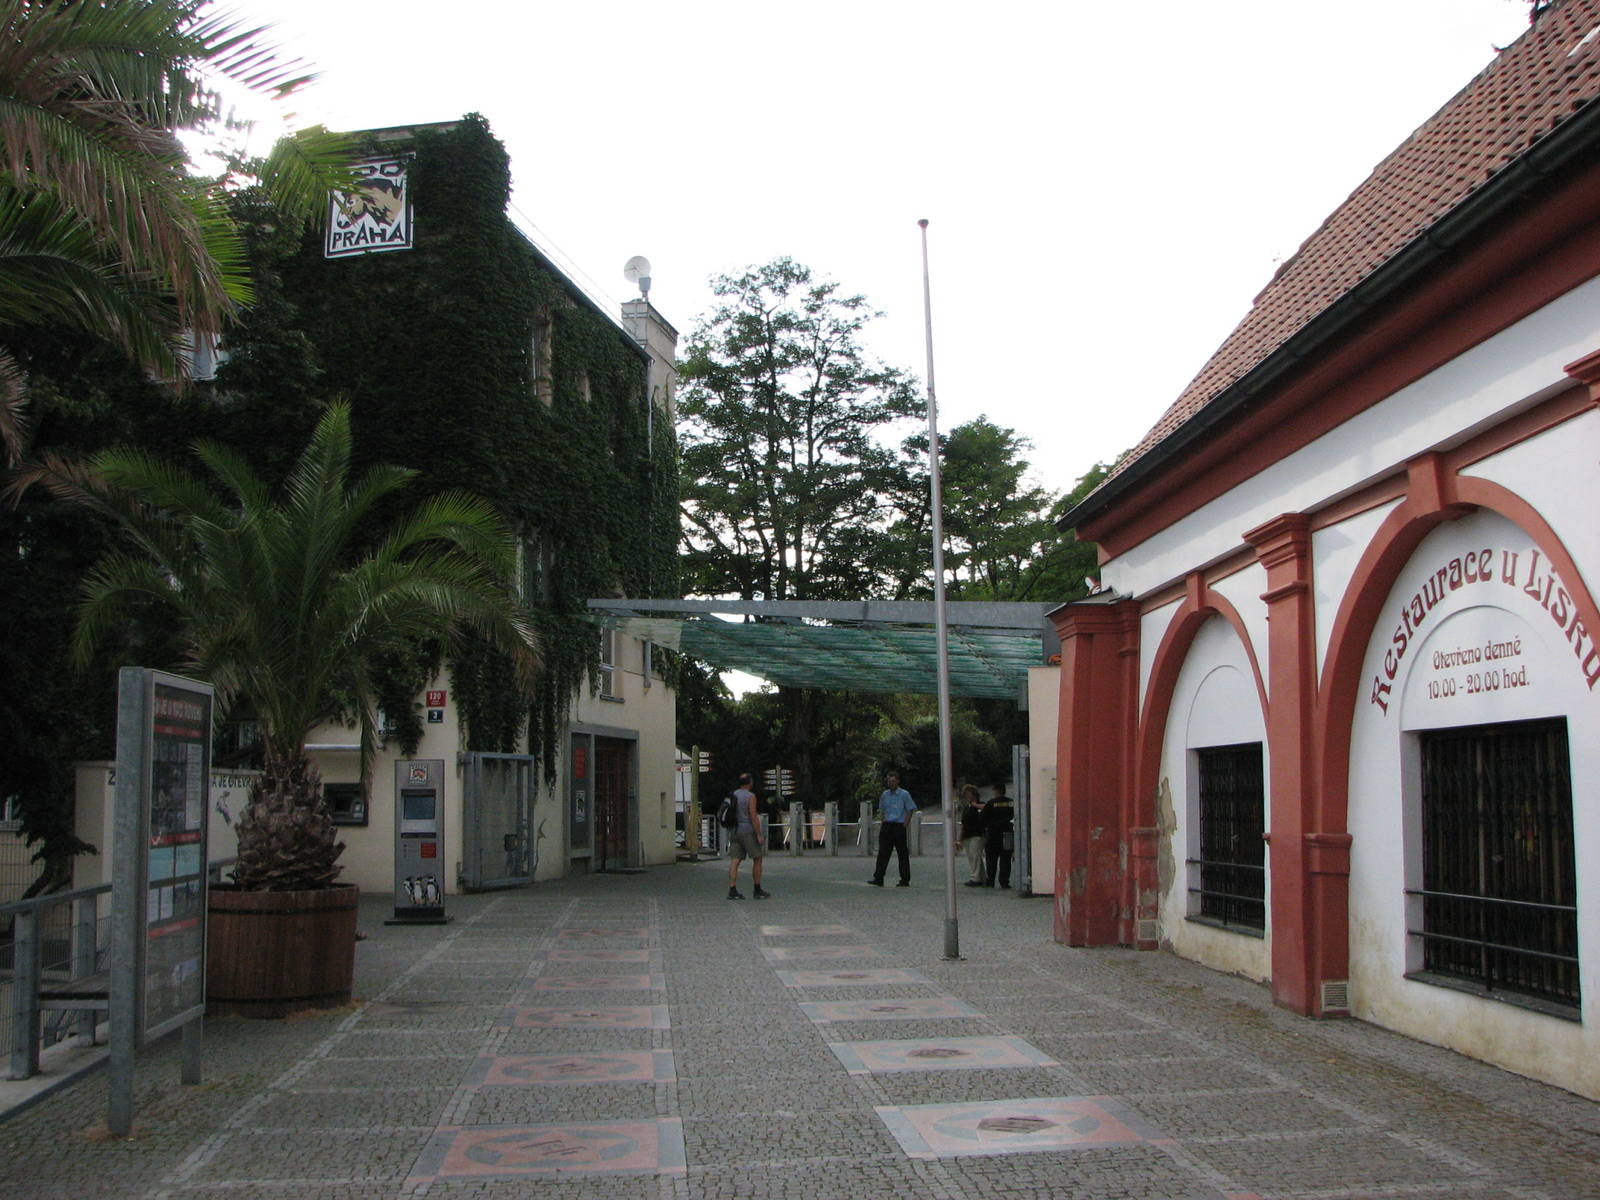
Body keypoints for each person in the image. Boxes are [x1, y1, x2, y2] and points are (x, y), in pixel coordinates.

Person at [868, 770, 917, 887]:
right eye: (889, 781)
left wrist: (905, 824)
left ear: (898, 781)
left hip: (898, 825)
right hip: (887, 825)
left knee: (902, 853)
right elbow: (882, 810)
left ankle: (905, 879)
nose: (891, 783)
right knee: (883, 852)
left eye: (893, 781)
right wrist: (883, 822)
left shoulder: (904, 794)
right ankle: (878, 877)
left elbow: (910, 809)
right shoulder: (885, 795)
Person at [727, 773, 771, 900]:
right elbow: (753, 815)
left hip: (734, 830)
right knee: (757, 858)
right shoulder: (750, 796)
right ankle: (757, 889)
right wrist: (759, 834)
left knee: (735, 860)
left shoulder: (733, 794)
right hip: (747, 831)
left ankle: (732, 889)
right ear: (749, 782)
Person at [955, 784, 987, 886]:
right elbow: (963, 824)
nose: (967, 796)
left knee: (975, 855)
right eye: (966, 794)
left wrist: (975, 805)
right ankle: (981, 876)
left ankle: (975, 878)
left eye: (968, 794)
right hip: (967, 835)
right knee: (972, 857)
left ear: (974, 794)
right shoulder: (966, 808)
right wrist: (959, 839)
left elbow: (986, 808)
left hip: (977, 834)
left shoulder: (980, 804)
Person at [983, 782, 1015, 888]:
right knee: (1006, 858)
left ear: (996, 791)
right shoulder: (1011, 803)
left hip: (993, 834)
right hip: (1008, 834)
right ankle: (1004, 881)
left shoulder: (991, 803)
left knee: (991, 858)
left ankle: (991, 880)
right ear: (1004, 790)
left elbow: (983, 818)